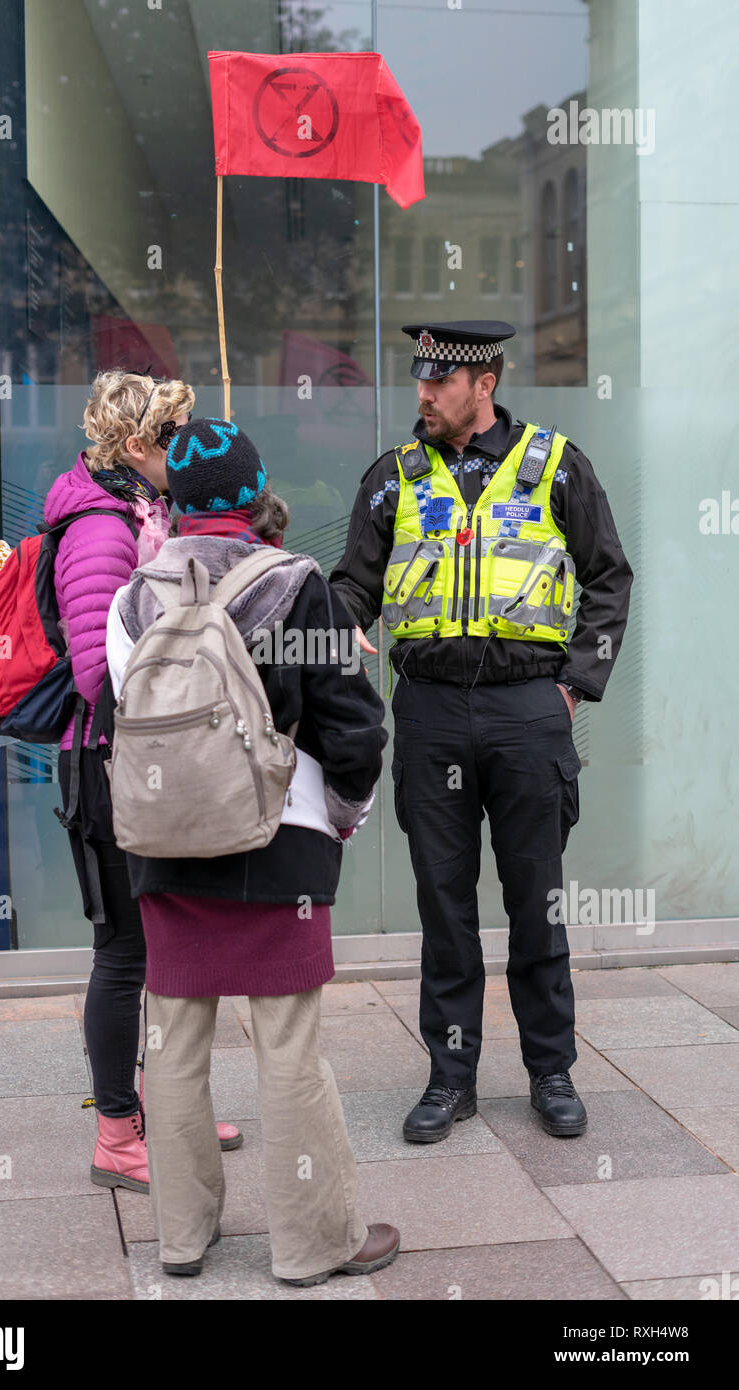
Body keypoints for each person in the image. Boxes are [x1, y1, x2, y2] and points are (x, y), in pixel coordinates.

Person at [106, 416, 400, 1285]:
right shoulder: (299, 585)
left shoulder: (134, 597)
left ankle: (183, 1238)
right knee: (289, 1049)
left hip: (165, 848)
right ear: (258, 494)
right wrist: (345, 814)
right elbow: (353, 727)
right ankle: (314, 1244)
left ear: (177, 502)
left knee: (175, 1046)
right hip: (282, 847)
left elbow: (122, 709)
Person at [329, 322, 633, 1143]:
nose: (422, 397)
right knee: (444, 904)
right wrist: (343, 620)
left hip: (528, 708)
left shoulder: (556, 465)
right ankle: (450, 1077)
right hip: (429, 711)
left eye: (438, 384)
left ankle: (551, 1070)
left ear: (482, 384)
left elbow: (609, 577)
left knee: (537, 899)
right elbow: (352, 581)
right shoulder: (393, 479)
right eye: (420, 382)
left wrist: (576, 685)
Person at [44, 372, 242, 1197]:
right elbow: (99, 674)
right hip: (107, 764)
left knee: (161, 944)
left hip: (142, 760)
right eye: (175, 437)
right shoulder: (97, 527)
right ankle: (118, 1134)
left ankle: (166, 1110)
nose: (188, 450)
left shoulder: (143, 511)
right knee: (124, 953)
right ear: (135, 448)